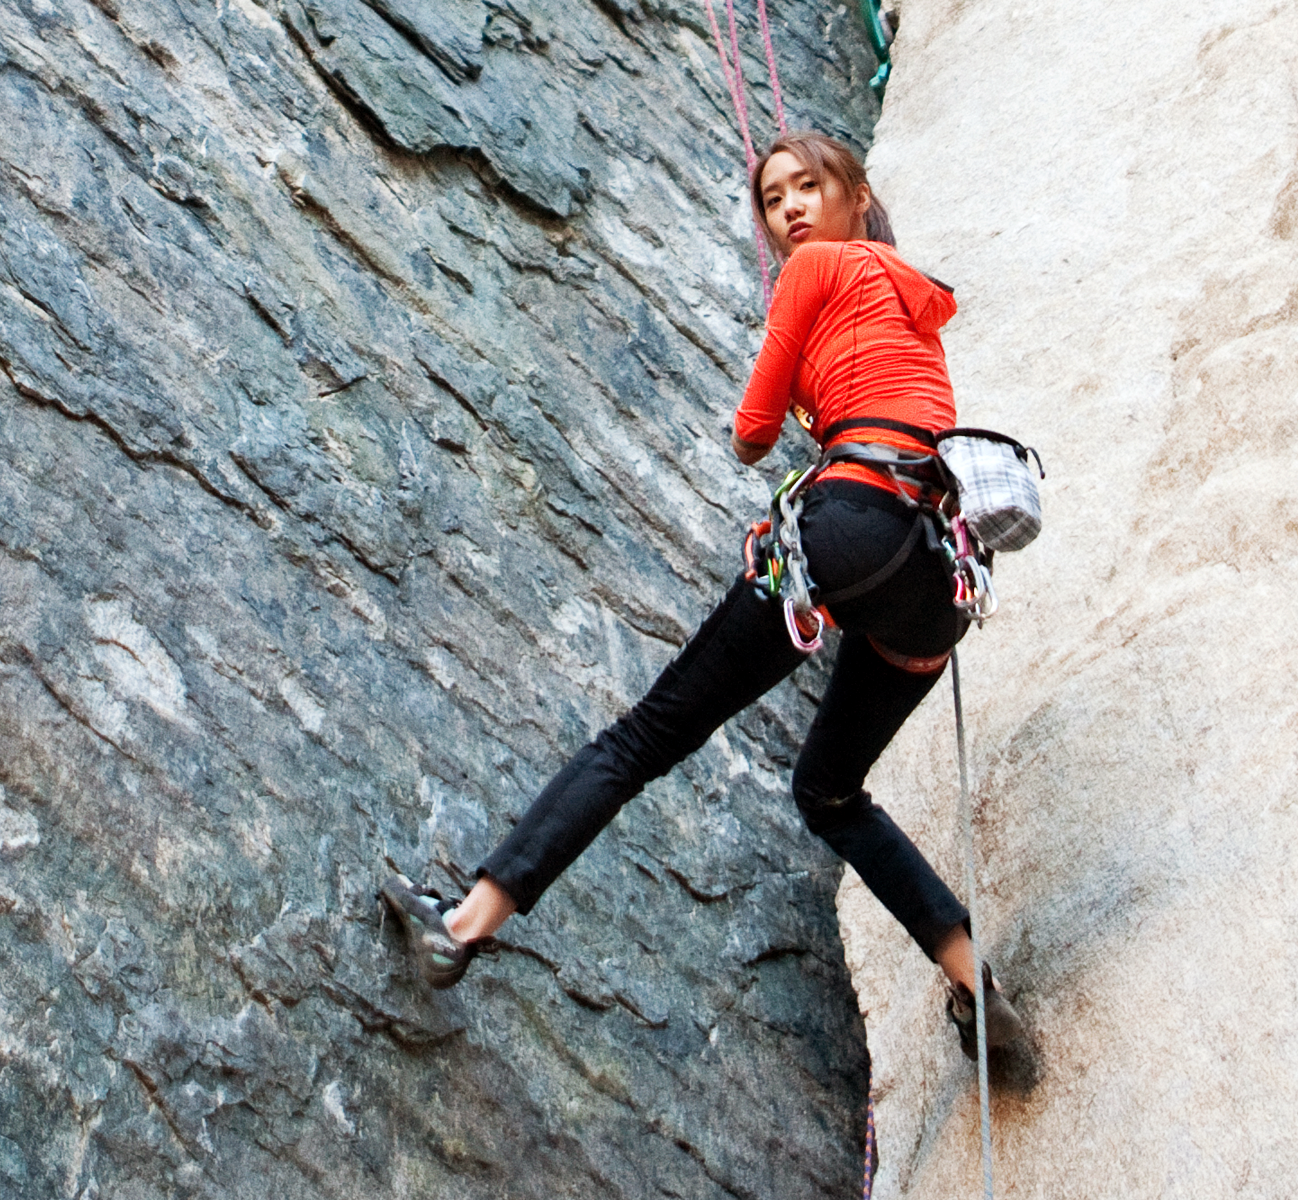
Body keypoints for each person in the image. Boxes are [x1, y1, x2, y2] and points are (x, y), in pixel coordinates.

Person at [381, 132, 1022, 1055]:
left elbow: (751, 433)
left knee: (645, 737)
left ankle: (463, 925)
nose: (790, 209)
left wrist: (788, 397)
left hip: (850, 528)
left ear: (857, 196)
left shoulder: (814, 270)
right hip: (937, 576)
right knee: (829, 792)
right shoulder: (908, 294)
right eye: (773, 199)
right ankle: (973, 984)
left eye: (809, 187)